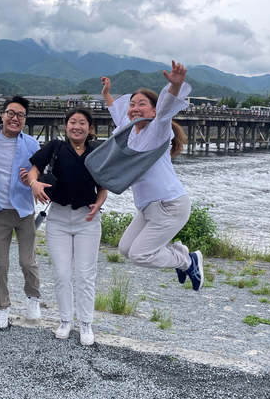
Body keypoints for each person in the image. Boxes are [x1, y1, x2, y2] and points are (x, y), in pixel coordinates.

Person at [100, 61, 204, 291]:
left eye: (142, 104)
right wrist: (107, 94)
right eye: (132, 104)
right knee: (126, 249)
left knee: (140, 254)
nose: (135, 108)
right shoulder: (130, 132)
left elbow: (166, 110)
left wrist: (174, 87)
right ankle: (179, 252)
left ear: (154, 110)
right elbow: (120, 116)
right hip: (149, 207)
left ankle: (187, 261)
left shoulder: (157, 130)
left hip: (170, 204)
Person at [26, 108, 107, 346]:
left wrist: (98, 204)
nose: (77, 126)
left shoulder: (97, 152)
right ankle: (64, 320)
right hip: (58, 218)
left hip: (87, 219)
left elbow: (103, 187)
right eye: (73, 122)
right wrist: (33, 184)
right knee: (61, 273)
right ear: (66, 125)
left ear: (90, 128)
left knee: (85, 274)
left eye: (83, 123)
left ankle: (85, 323)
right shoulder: (55, 148)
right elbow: (34, 170)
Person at [0, 95, 41, 329]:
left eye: (20, 115)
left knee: (28, 262)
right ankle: (2, 307)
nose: (14, 118)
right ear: (2, 115)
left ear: (24, 120)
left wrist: (32, 179)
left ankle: (33, 297)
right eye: (11, 113)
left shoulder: (32, 144)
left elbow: (42, 174)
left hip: (24, 210)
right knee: (1, 264)